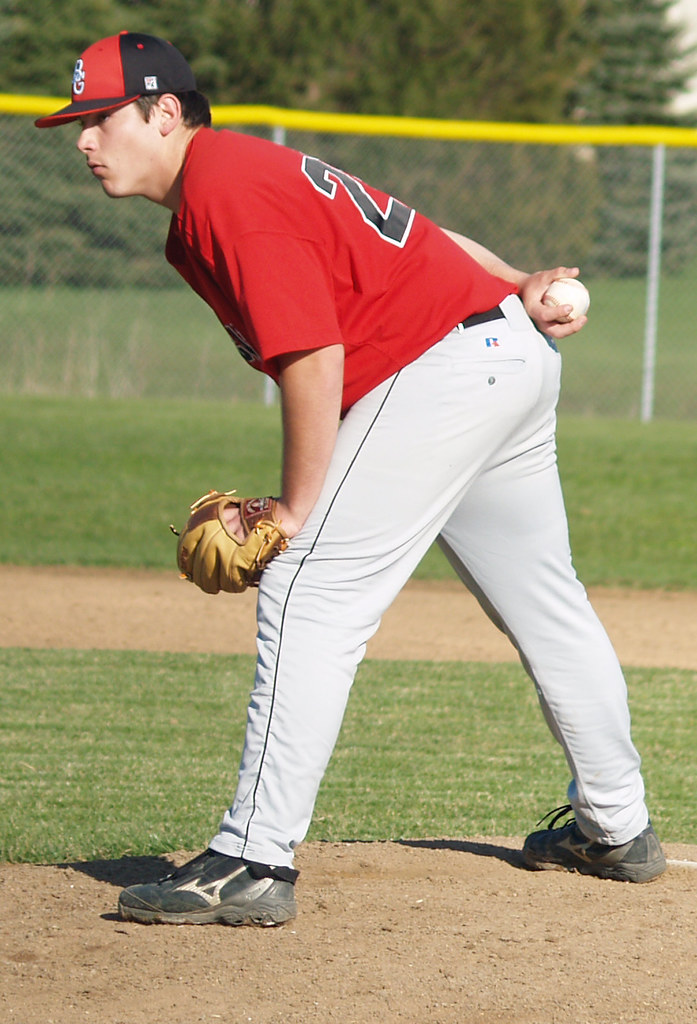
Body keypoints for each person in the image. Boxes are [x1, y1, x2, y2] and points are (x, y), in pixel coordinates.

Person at [36, 31, 666, 927]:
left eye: (98, 118)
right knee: (545, 601)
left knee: (308, 586)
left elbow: (313, 357)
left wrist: (294, 508)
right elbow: (428, 235)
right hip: (498, 354)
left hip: (439, 371)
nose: (83, 140)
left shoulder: (223, 192)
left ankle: (252, 858)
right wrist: (513, 280)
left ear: (164, 112)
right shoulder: (245, 172)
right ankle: (616, 824)